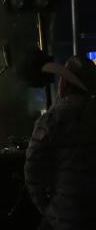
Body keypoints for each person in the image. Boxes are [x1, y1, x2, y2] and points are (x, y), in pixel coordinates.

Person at [25, 54, 96, 230]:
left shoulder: (52, 118)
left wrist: (47, 208)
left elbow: (32, 171)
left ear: (64, 84)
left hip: (65, 216)